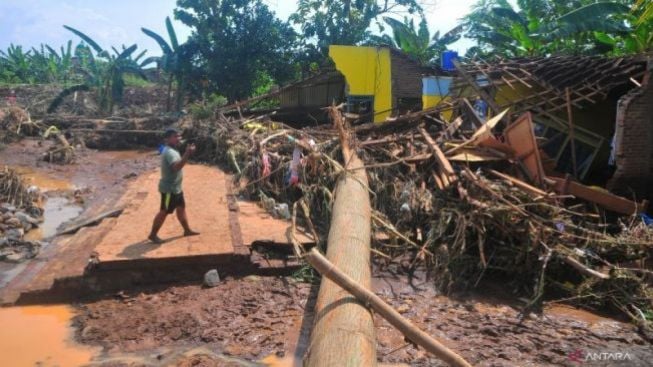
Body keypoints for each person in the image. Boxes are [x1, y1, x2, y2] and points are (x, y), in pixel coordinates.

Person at [148, 128, 199, 243]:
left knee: (181, 208)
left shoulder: (171, 149)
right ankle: (152, 234)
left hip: (176, 188)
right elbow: (176, 167)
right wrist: (187, 153)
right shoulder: (170, 152)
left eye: (178, 136)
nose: (178, 138)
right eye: (175, 136)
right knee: (164, 211)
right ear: (167, 139)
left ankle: (187, 230)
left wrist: (187, 153)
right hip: (169, 190)